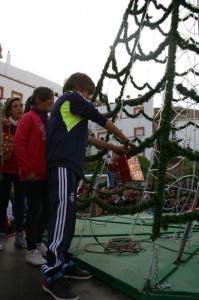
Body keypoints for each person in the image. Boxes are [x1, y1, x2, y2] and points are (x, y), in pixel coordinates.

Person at [41, 72, 135, 300]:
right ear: (79, 86)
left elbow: (89, 140)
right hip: (63, 163)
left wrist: (115, 149)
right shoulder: (73, 98)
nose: (89, 97)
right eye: (89, 92)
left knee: (69, 214)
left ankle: (63, 261)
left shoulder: (70, 113)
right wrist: (125, 140)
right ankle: (51, 271)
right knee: (63, 213)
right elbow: (101, 119)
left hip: (69, 165)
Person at [13, 87, 54, 266]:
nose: (51, 101)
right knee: (34, 210)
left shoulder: (48, 120)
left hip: (46, 174)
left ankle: (37, 242)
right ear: (37, 98)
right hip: (32, 175)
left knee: (47, 209)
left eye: (52, 98)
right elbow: (18, 144)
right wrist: (27, 169)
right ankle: (30, 250)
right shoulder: (28, 117)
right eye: (48, 98)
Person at [0, 97, 26, 250]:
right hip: (4, 170)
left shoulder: (24, 124)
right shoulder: (3, 125)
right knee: (2, 203)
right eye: (15, 106)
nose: (19, 109)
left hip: (20, 170)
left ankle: (19, 236)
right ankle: (1, 236)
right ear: (9, 110)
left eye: (20, 106)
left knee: (20, 204)